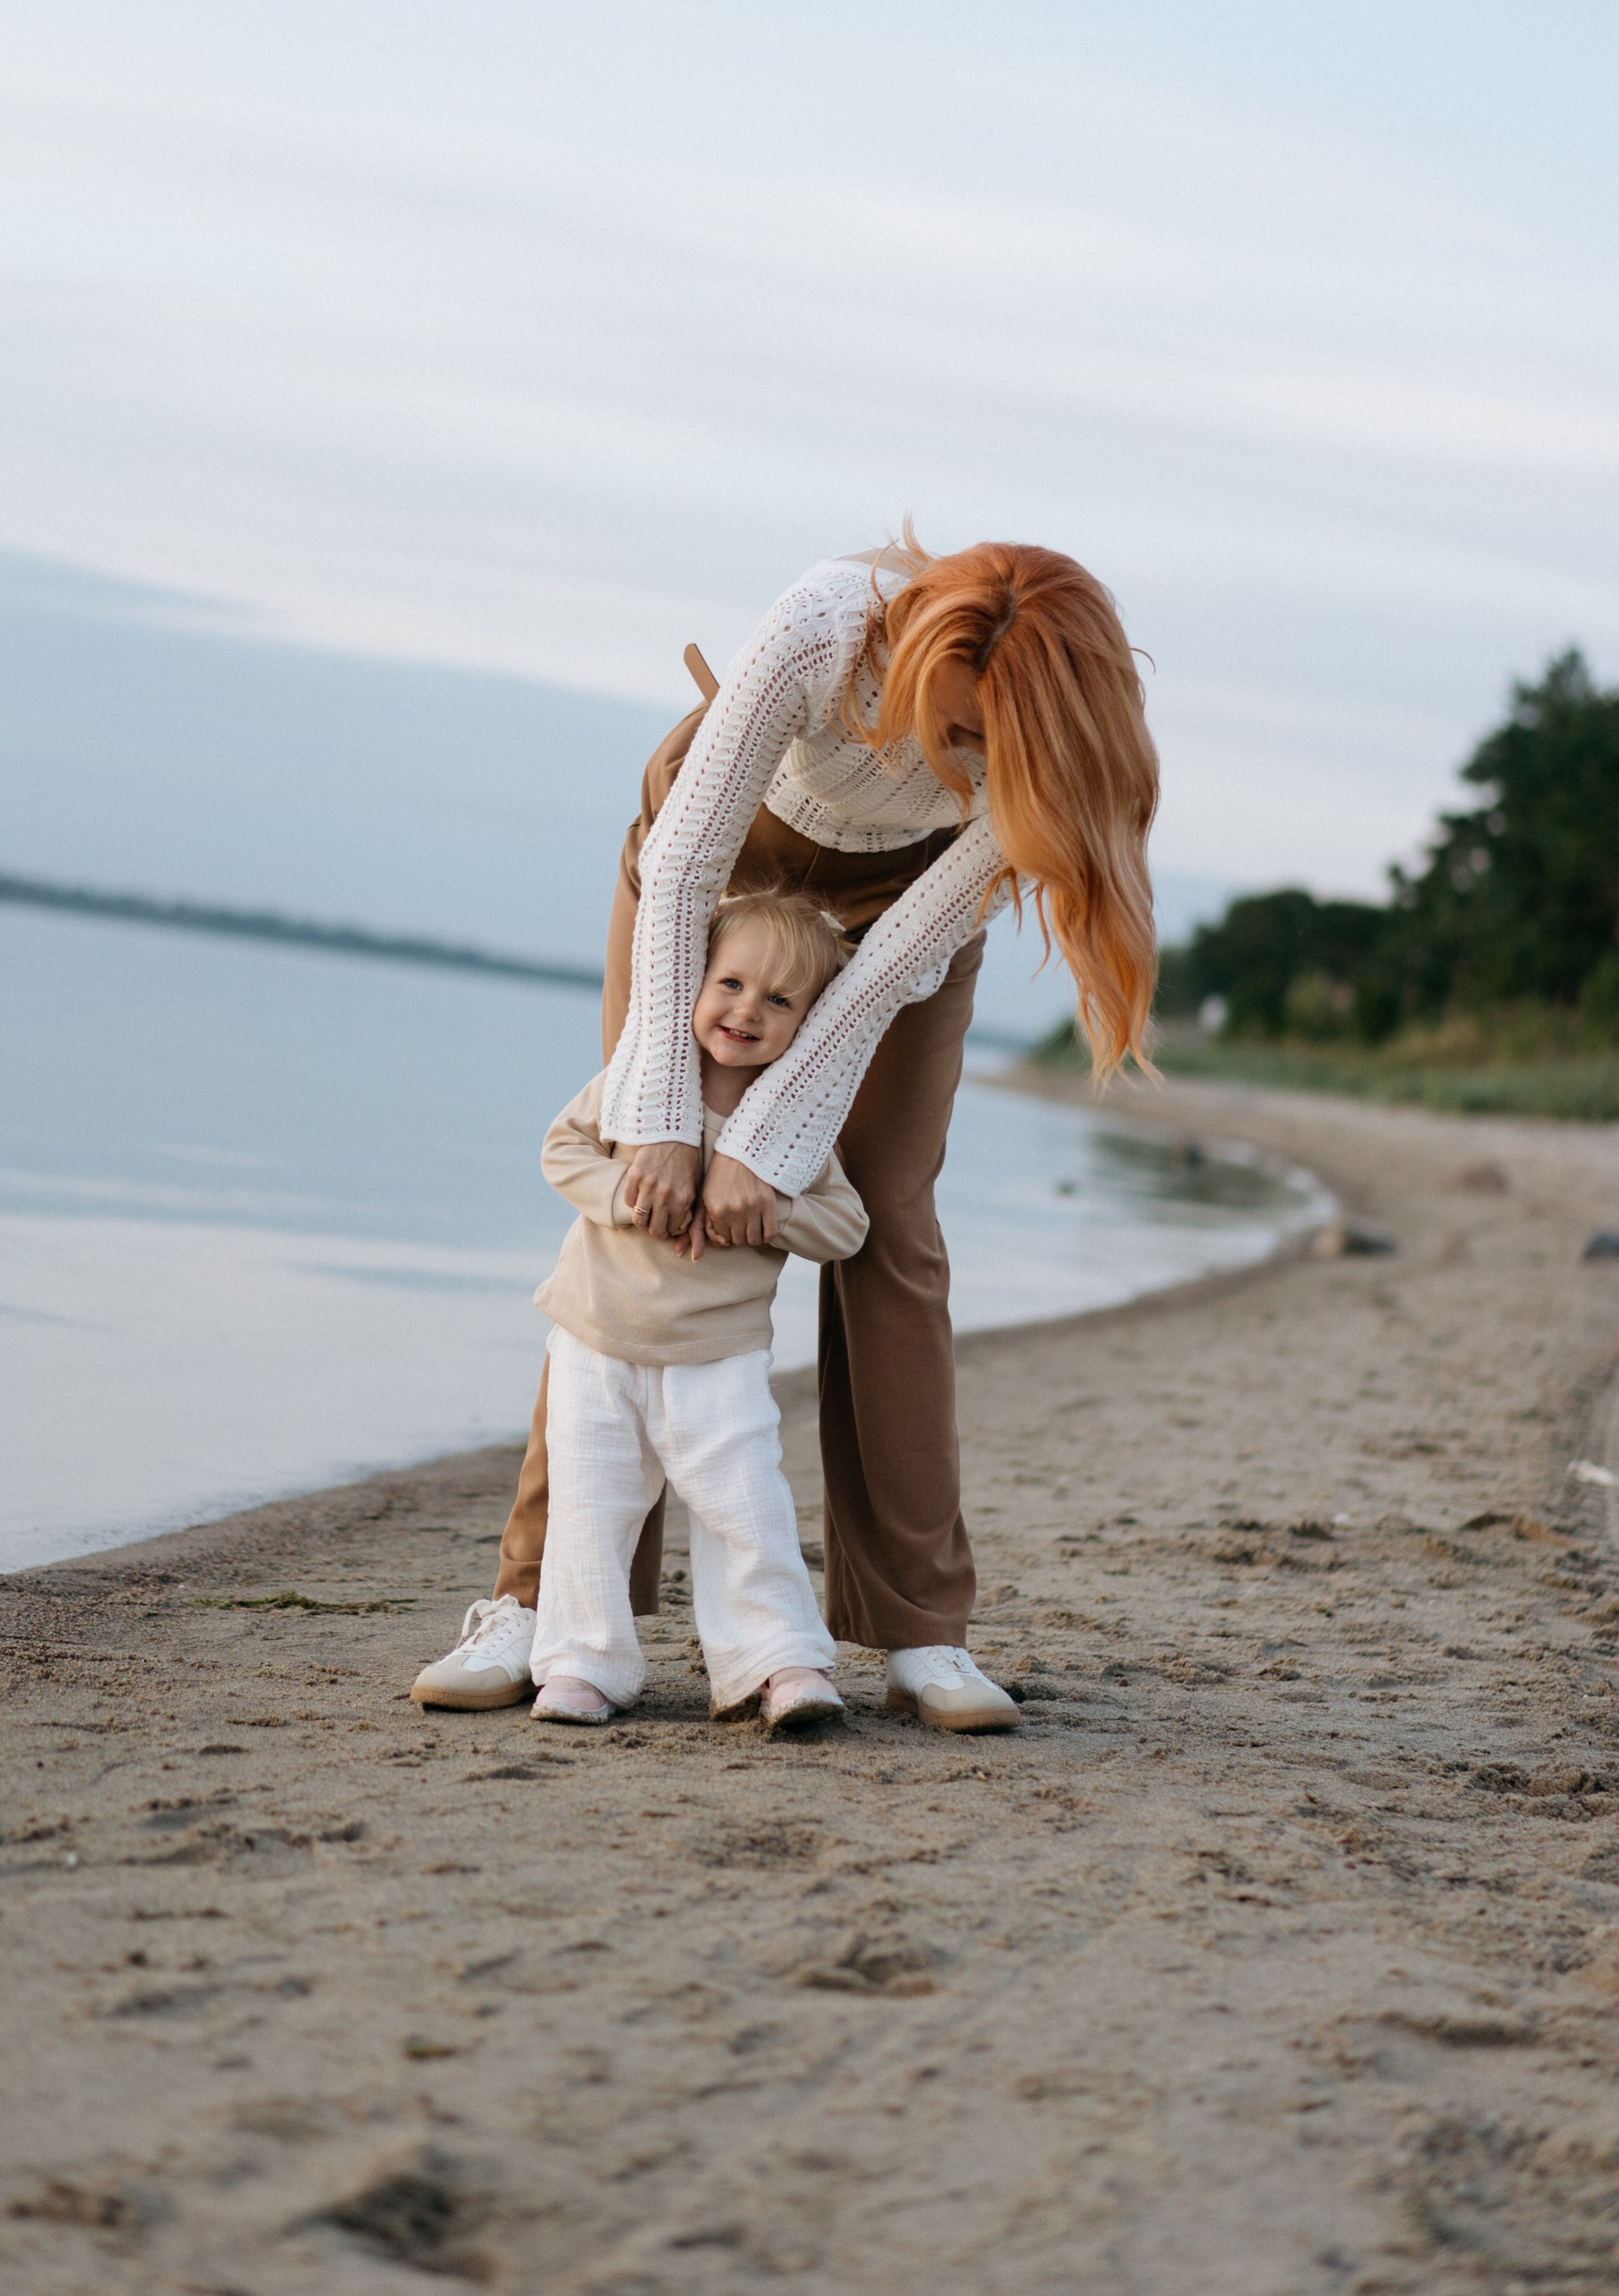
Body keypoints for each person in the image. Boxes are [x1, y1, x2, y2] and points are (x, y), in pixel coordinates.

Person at [411, 534, 1157, 1732]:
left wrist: (767, 1148)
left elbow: (878, 982)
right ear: (911, 649)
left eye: (979, 748)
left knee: (891, 1221)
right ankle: (537, 1608)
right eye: (944, 721)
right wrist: (666, 1123)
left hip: (900, 917)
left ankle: (921, 1631)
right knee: (632, 1199)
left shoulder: (1062, 749)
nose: (949, 755)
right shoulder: (821, 624)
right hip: (709, 870)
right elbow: (689, 860)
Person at [526, 888, 869, 1733]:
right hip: (598, 1336)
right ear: (695, 981)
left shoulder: (792, 1126)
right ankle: (582, 1664)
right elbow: (559, 1150)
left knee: (744, 1504)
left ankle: (780, 1660)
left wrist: (777, 1213)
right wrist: (623, 1194)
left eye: (778, 1000)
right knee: (591, 1503)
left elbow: (848, 1226)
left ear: (809, 1025)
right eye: (730, 983)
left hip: (718, 1353)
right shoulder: (642, 1081)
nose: (746, 1010)